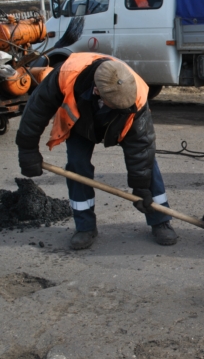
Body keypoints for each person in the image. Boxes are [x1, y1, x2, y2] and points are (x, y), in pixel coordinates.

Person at [15, 53, 177, 249]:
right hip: (80, 122)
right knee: (77, 165)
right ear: (97, 91)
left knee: (148, 163)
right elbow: (36, 111)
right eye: (115, 104)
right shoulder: (65, 75)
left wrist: (141, 188)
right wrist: (27, 150)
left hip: (123, 121)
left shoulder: (136, 96)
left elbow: (141, 148)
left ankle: (160, 219)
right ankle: (85, 227)